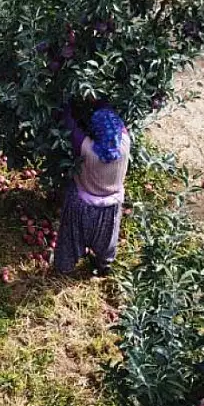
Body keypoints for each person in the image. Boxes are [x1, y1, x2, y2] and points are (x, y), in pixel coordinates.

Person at [54, 102, 131, 276]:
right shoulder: (125, 144)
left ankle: (64, 267)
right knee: (107, 240)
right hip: (110, 208)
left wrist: (67, 103)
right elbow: (120, 126)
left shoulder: (87, 149)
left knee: (71, 237)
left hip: (82, 205)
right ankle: (103, 265)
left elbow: (69, 125)